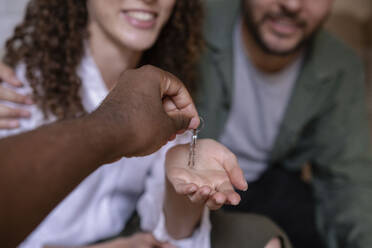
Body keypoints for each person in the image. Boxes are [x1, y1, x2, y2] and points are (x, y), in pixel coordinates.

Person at [0, 1, 283, 248]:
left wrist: (181, 184)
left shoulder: (164, 85)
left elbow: (171, 231)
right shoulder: (19, 89)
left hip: (128, 232)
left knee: (262, 236)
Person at [193, 0, 372, 247]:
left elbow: (347, 180)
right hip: (186, 185)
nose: (292, 5)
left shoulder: (339, 65)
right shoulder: (194, 22)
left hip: (266, 187)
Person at [0, 65, 201, 248]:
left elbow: (169, 233)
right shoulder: (22, 86)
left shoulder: (167, 107)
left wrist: (192, 176)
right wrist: (118, 124)